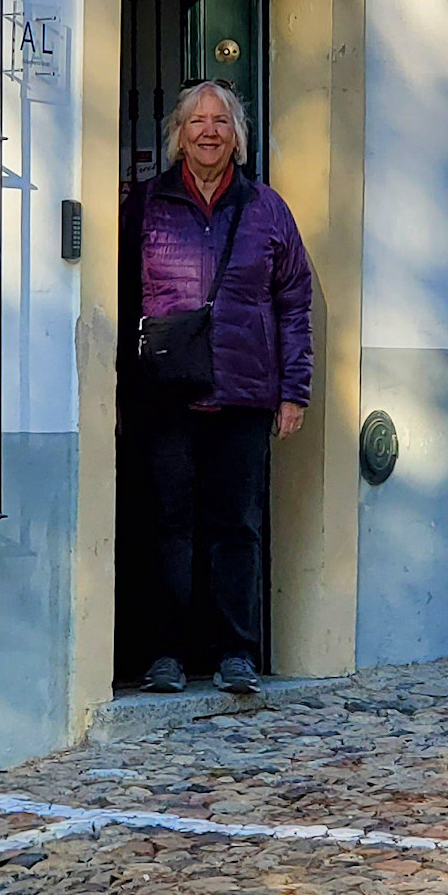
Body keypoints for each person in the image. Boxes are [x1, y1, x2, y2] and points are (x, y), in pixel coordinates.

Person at [123, 79, 312, 695]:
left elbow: (294, 301)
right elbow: (121, 301)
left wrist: (293, 390)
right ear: (178, 133)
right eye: (197, 121)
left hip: (244, 392)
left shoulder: (267, 209)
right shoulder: (144, 205)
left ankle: (236, 652)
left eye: (221, 122)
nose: (209, 131)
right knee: (167, 525)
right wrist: (121, 391)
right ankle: (165, 655)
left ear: (238, 137)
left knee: (238, 526)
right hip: (168, 395)